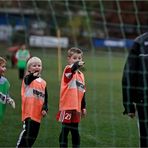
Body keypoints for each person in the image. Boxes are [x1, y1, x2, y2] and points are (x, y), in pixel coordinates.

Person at [56, 47, 87, 148]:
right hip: (67, 106)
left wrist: (83, 107)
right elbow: (72, 68)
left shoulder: (81, 75)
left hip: (76, 108)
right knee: (65, 130)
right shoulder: (68, 70)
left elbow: (83, 92)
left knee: (75, 131)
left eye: (79, 58)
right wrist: (76, 64)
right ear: (69, 59)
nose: (77, 60)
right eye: (75, 58)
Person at [122, 32, 148, 147]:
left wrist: (129, 105)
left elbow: (128, 75)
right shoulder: (139, 42)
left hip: (143, 100)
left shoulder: (140, 41)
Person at [16, 56, 48, 147]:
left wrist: (45, 108)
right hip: (29, 112)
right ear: (29, 68)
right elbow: (28, 79)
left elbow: (46, 98)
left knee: (33, 137)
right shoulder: (27, 78)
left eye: (39, 65)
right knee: (27, 134)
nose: (37, 67)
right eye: (34, 66)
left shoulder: (43, 82)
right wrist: (33, 75)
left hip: (38, 114)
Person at [0, 57, 15, 123]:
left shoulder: (5, 82)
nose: (5, 69)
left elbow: (6, 94)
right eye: (3, 67)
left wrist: (9, 100)